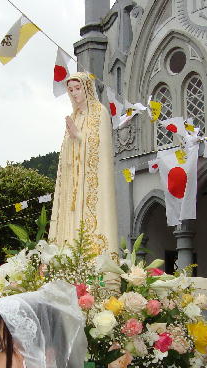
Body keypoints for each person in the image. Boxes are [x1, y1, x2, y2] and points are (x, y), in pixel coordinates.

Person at [48, 72, 118, 256]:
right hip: (73, 181)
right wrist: (72, 139)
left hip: (90, 182)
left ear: (87, 88)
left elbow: (100, 148)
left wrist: (78, 137)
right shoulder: (75, 116)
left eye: (77, 88)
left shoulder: (99, 113)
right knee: (70, 220)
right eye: (70, 90)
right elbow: (66, 153)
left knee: (89, 220)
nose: (74, 93)